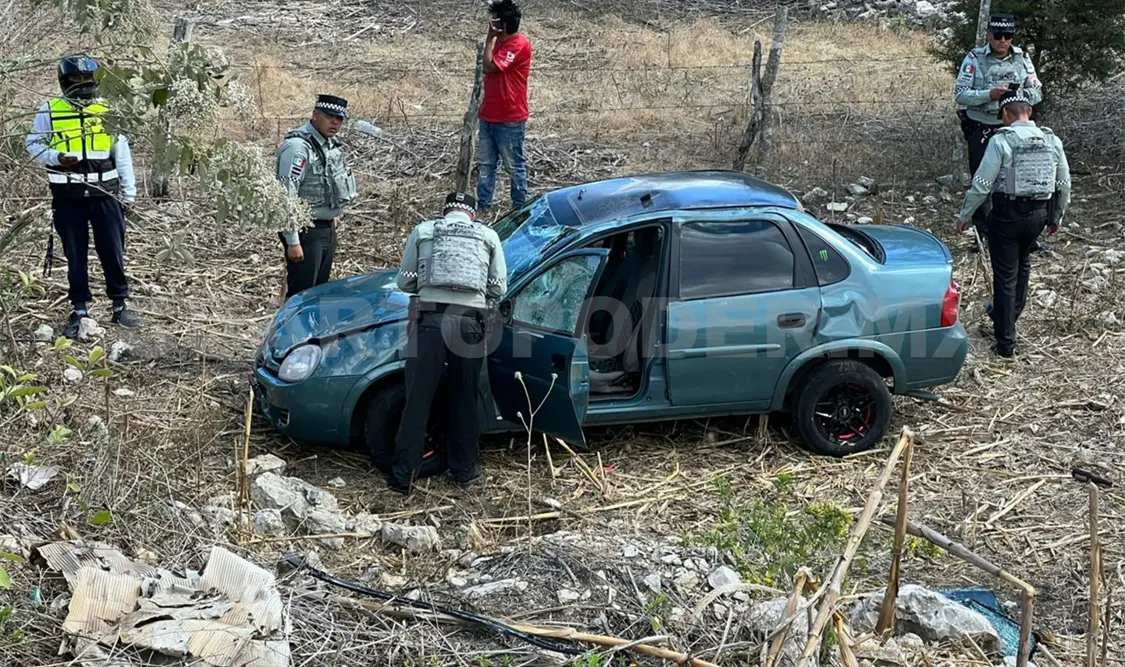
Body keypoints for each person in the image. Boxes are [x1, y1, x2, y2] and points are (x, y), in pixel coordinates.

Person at [390, 192, 507, 494]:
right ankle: (464, 472)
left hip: (428, 322)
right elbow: (498, 287)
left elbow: (404, 282)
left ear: (445, 212)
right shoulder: (488, 236)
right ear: (473, 215)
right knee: (464, 398)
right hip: (469, 324)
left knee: (417, 400)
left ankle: (403, 477)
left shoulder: (424, 231)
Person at [25, 54, 141, 338]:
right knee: (74, 254)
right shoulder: (50, 109)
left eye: (87, 79)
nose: (82, 84)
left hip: (106, 193)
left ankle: (119, 305)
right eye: (76, 79)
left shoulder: (108, 109)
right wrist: (56, 157)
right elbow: (34, 143)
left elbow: (121, 153)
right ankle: (80, 310)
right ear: (65, 82)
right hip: (68, 195)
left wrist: (129, 193)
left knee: (113, 250)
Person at [956, 89, 1070, 358]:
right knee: (1024, 264)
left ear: (1006, 115)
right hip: (1039, 214)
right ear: (1029, 112)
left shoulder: (1001, 140)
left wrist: (965, 214)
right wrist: (1056, 217)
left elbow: (982, 183)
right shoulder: (1051, 140)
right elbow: (1063, 184)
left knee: (1005, 276)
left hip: (1007, 213)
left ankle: (1006, 342)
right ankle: (1008, 316)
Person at [954, 13, 1043, 253]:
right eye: (998, 36)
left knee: (1013, 179)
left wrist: (1017, 95)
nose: (1003, 41)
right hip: (981, 127)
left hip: (1013, 129)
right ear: (989, 35)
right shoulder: (974, 59)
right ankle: (982, 234)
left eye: (1008, 36)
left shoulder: (1022, 58)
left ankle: (1018, 230)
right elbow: (961, 94)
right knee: (982, 178)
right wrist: (989, 94)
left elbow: (1038, 91)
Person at [275, 94, 358, 300]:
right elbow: (287, 195)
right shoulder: (298, 147)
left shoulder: (328, 145)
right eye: (330, 117)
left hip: (325, 228)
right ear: (315, 115)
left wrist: (332, 215)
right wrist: (293, 241)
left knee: (319, 293)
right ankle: (293, 332)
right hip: (306, 231)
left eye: (339, 119)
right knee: (301, 295)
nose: (335, 123)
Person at [476, 0, 532, 216]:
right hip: (489, 112)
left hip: (510, 116)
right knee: (486, 164)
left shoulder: (518, 45)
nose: (493, 24)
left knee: (514, 165)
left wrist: (490, 38)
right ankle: (483, 206)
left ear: (504, 25)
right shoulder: (500, 43)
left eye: (497, 21)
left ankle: (519, 208)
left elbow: (490, 67)